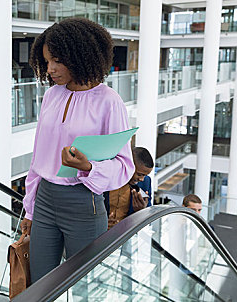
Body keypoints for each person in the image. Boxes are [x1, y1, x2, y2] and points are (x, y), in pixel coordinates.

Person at [19, 18, 135, 284]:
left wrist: (89, 167)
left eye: (57, 60)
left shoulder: (109, 101)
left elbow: (125, 166)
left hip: (84, 203)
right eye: (47, 61)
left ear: (80, 55)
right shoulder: (52, 95)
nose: (50, 69)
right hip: (46, 199)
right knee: (41, 282)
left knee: (83, 284)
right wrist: (30, 210)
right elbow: (39, 158)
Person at [105, 147, 154, 229]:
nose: (141, 179)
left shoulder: (146, 182)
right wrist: (101, 223)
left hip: (125, 235)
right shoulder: (107, 176)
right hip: (98, 234)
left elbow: (149, 215)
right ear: (129, 165)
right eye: (139, 174)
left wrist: (141, 211)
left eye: (145, 175)